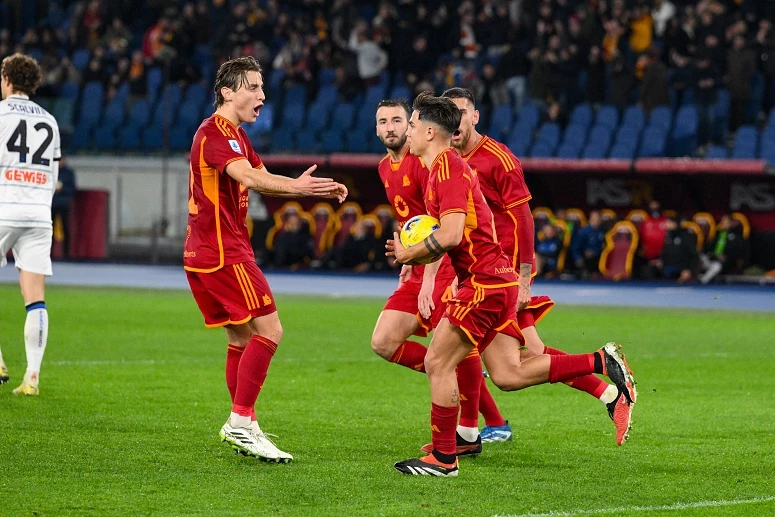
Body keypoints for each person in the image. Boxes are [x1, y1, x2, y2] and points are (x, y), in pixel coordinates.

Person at [387, 93, 636, 477]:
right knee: (507, 373)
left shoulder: (450, 168)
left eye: (413, 125)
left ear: (431, 131)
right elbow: (449, 236)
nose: (408, 132)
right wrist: (421, 263)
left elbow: (451, 234)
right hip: (490, 280)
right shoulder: (442, 168)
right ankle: (601, 362)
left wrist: (409, 254)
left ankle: (444, 458)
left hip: (486, 282)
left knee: (438, 361)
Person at [442, 88, 630, 447]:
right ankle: (609, 391)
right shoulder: (449, 161)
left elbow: (524, 218)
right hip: (478, 273)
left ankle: (472, 431)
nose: (455, 121)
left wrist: (523, 278)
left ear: (475, 116)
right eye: (448, 114)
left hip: (501, 276)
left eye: (461, 112)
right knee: (528, 356)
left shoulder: (498, 159)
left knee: (481, 359)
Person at [184, 56, 347, 463]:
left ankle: (247, 422)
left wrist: (306, 188)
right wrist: (298, 188)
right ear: (227, 92)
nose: (262, 95)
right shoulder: (216, 133)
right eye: (253, 87)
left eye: (261, 87)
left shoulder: (235, 135)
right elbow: (250, 177)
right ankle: (240, 422)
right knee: (270, 331)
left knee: (241, 339)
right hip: (224, 252)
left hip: (207, 251)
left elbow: (263, 179)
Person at [371, 99, 510, 457]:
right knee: (391, 344)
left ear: (426, 130)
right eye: (383, 121)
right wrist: (410, 257)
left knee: (462, 359)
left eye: (403, 121)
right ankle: (461, 436)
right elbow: (422, 224)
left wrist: (426, 273)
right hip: (445, 266)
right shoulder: (393, 167)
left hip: (458, 270)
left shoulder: (437, 166)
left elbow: (446, 232)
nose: (396, 129)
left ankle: (461, 440)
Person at [0, 53, 61, 396]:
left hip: (4, 207)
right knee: (35, 297)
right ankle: (32, 378)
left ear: (8, 79)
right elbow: (52, 176)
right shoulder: (50, 121)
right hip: (38, 213)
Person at [52, 156, 76, 258]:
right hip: (52, 204)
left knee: (65, 228)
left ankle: (66, 254)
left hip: (63, 204)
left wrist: (62, 189)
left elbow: (72, 189)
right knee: (50, 229)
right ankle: (49, 253)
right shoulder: (51, 171)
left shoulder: (69, 173)